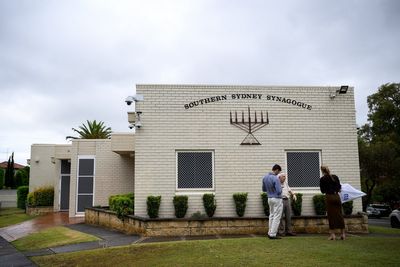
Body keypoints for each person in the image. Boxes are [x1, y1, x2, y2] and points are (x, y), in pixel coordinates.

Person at [319, 165, 346, 240]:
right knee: (339, 215)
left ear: (322, 171)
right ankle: (343, 234)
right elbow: (339, 188)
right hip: (337, 196)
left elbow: (322, 191)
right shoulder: (335, 177)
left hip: (329, 197)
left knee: (331, 216)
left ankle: (333, 235)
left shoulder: (322, 179)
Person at [262, 164, 283, 239]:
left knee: (271, 216)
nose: (279, 173)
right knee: (277, 217)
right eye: (279, 171)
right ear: (276, 170)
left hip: (269, 198)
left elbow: (264, 189)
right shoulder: (275, 178)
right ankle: (273, 234)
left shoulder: (265, 177)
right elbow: (279, 191)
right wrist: (281, 187)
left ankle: (270, 232)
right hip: (277, 198)